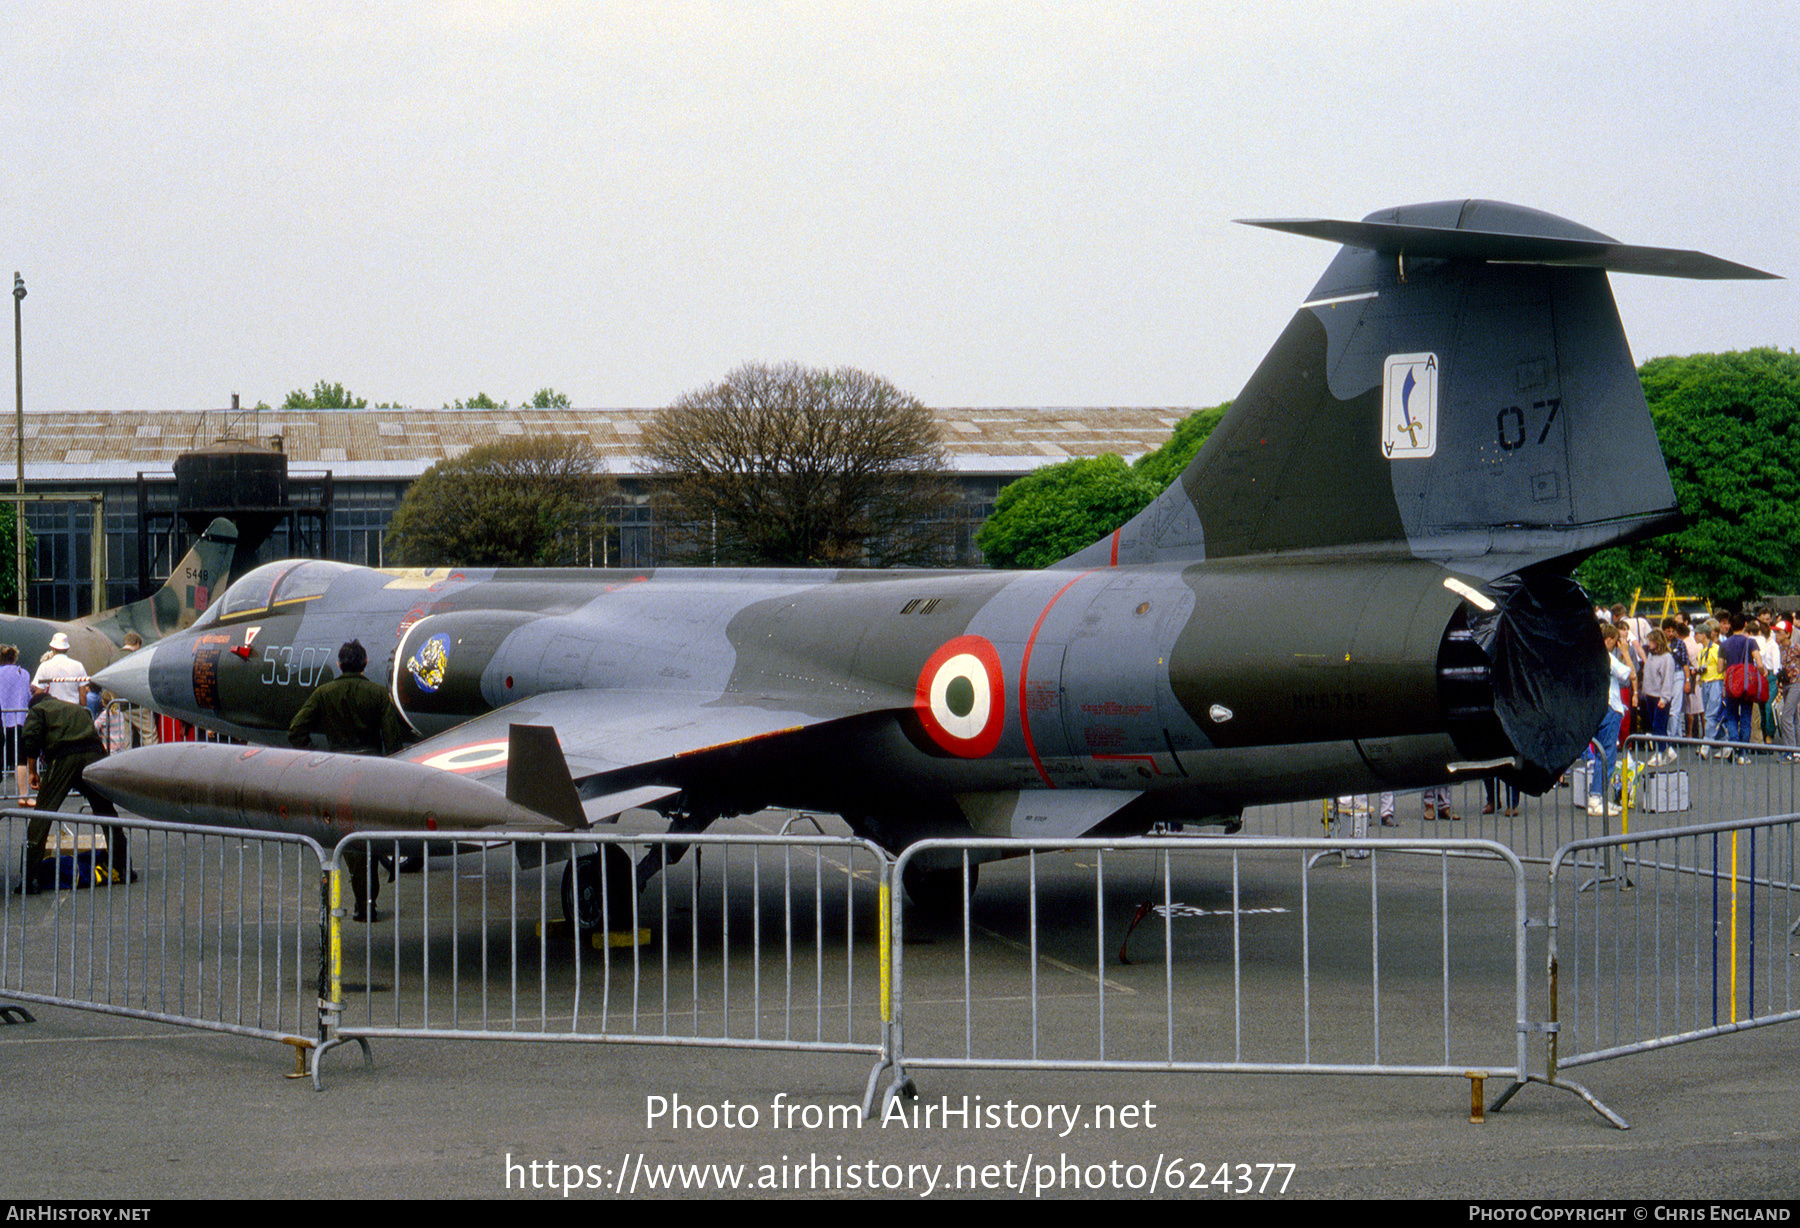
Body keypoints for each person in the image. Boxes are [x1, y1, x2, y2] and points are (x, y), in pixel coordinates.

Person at [288, 640, 410, 921]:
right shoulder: (380, 695)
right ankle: (368, 901)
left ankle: (363, 903)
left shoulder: (324, 693)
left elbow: (296, 731)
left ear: (340, 664)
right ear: (365, 664)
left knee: (349, 839)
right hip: (371, 773)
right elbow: (393, 744)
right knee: (368, 836)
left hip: (338, 773)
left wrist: (316, 759)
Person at [16, 692, 130, 894]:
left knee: (42, 814)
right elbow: (95, 737)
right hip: (93, 756)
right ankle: (122, 867)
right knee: (105, 810)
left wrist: (33, 770)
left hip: (63, 757)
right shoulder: (77, 709)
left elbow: (30, 737)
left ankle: (29, 878)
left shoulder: (38, 710)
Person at [1587, 624, 1632, 817]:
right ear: (1608, 640)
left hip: (1594, 708)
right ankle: (1596, 797)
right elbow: (1628, 673)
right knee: (1607, 755)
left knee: (1599, 753)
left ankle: (1598, 797)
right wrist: (1625, 653)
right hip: (1610, 708)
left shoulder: (1586, 654)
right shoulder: (1607, 656)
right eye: (1614, 642)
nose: (1615, 646)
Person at [0, 646, 30, 804]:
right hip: (19, 719)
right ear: (14, 658)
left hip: (1, 719)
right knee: (20, 759)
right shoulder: (23, 673)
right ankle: (23, 795)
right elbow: (27, 695)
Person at [32, 632, 88, 706]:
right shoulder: (78, 666)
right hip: (72, 709)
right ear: (67, 648)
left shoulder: (44, 666)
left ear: (52, 648)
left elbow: (39, 693)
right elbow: (83, 695)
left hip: (51, 710)